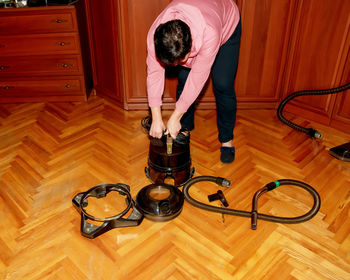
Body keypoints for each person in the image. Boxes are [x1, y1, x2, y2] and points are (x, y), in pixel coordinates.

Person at [146, 0, 241, 164]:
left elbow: (197, 79)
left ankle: (226, 140)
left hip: (226, 23)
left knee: (223, 84)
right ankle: (185, 128)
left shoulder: (209, 33)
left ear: (189, 49)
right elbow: (154, 73)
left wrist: (174, 117)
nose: (173, 67)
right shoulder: (156, 34)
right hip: (198, 17)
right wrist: (156, 117)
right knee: (183, 78)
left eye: (177, 61)